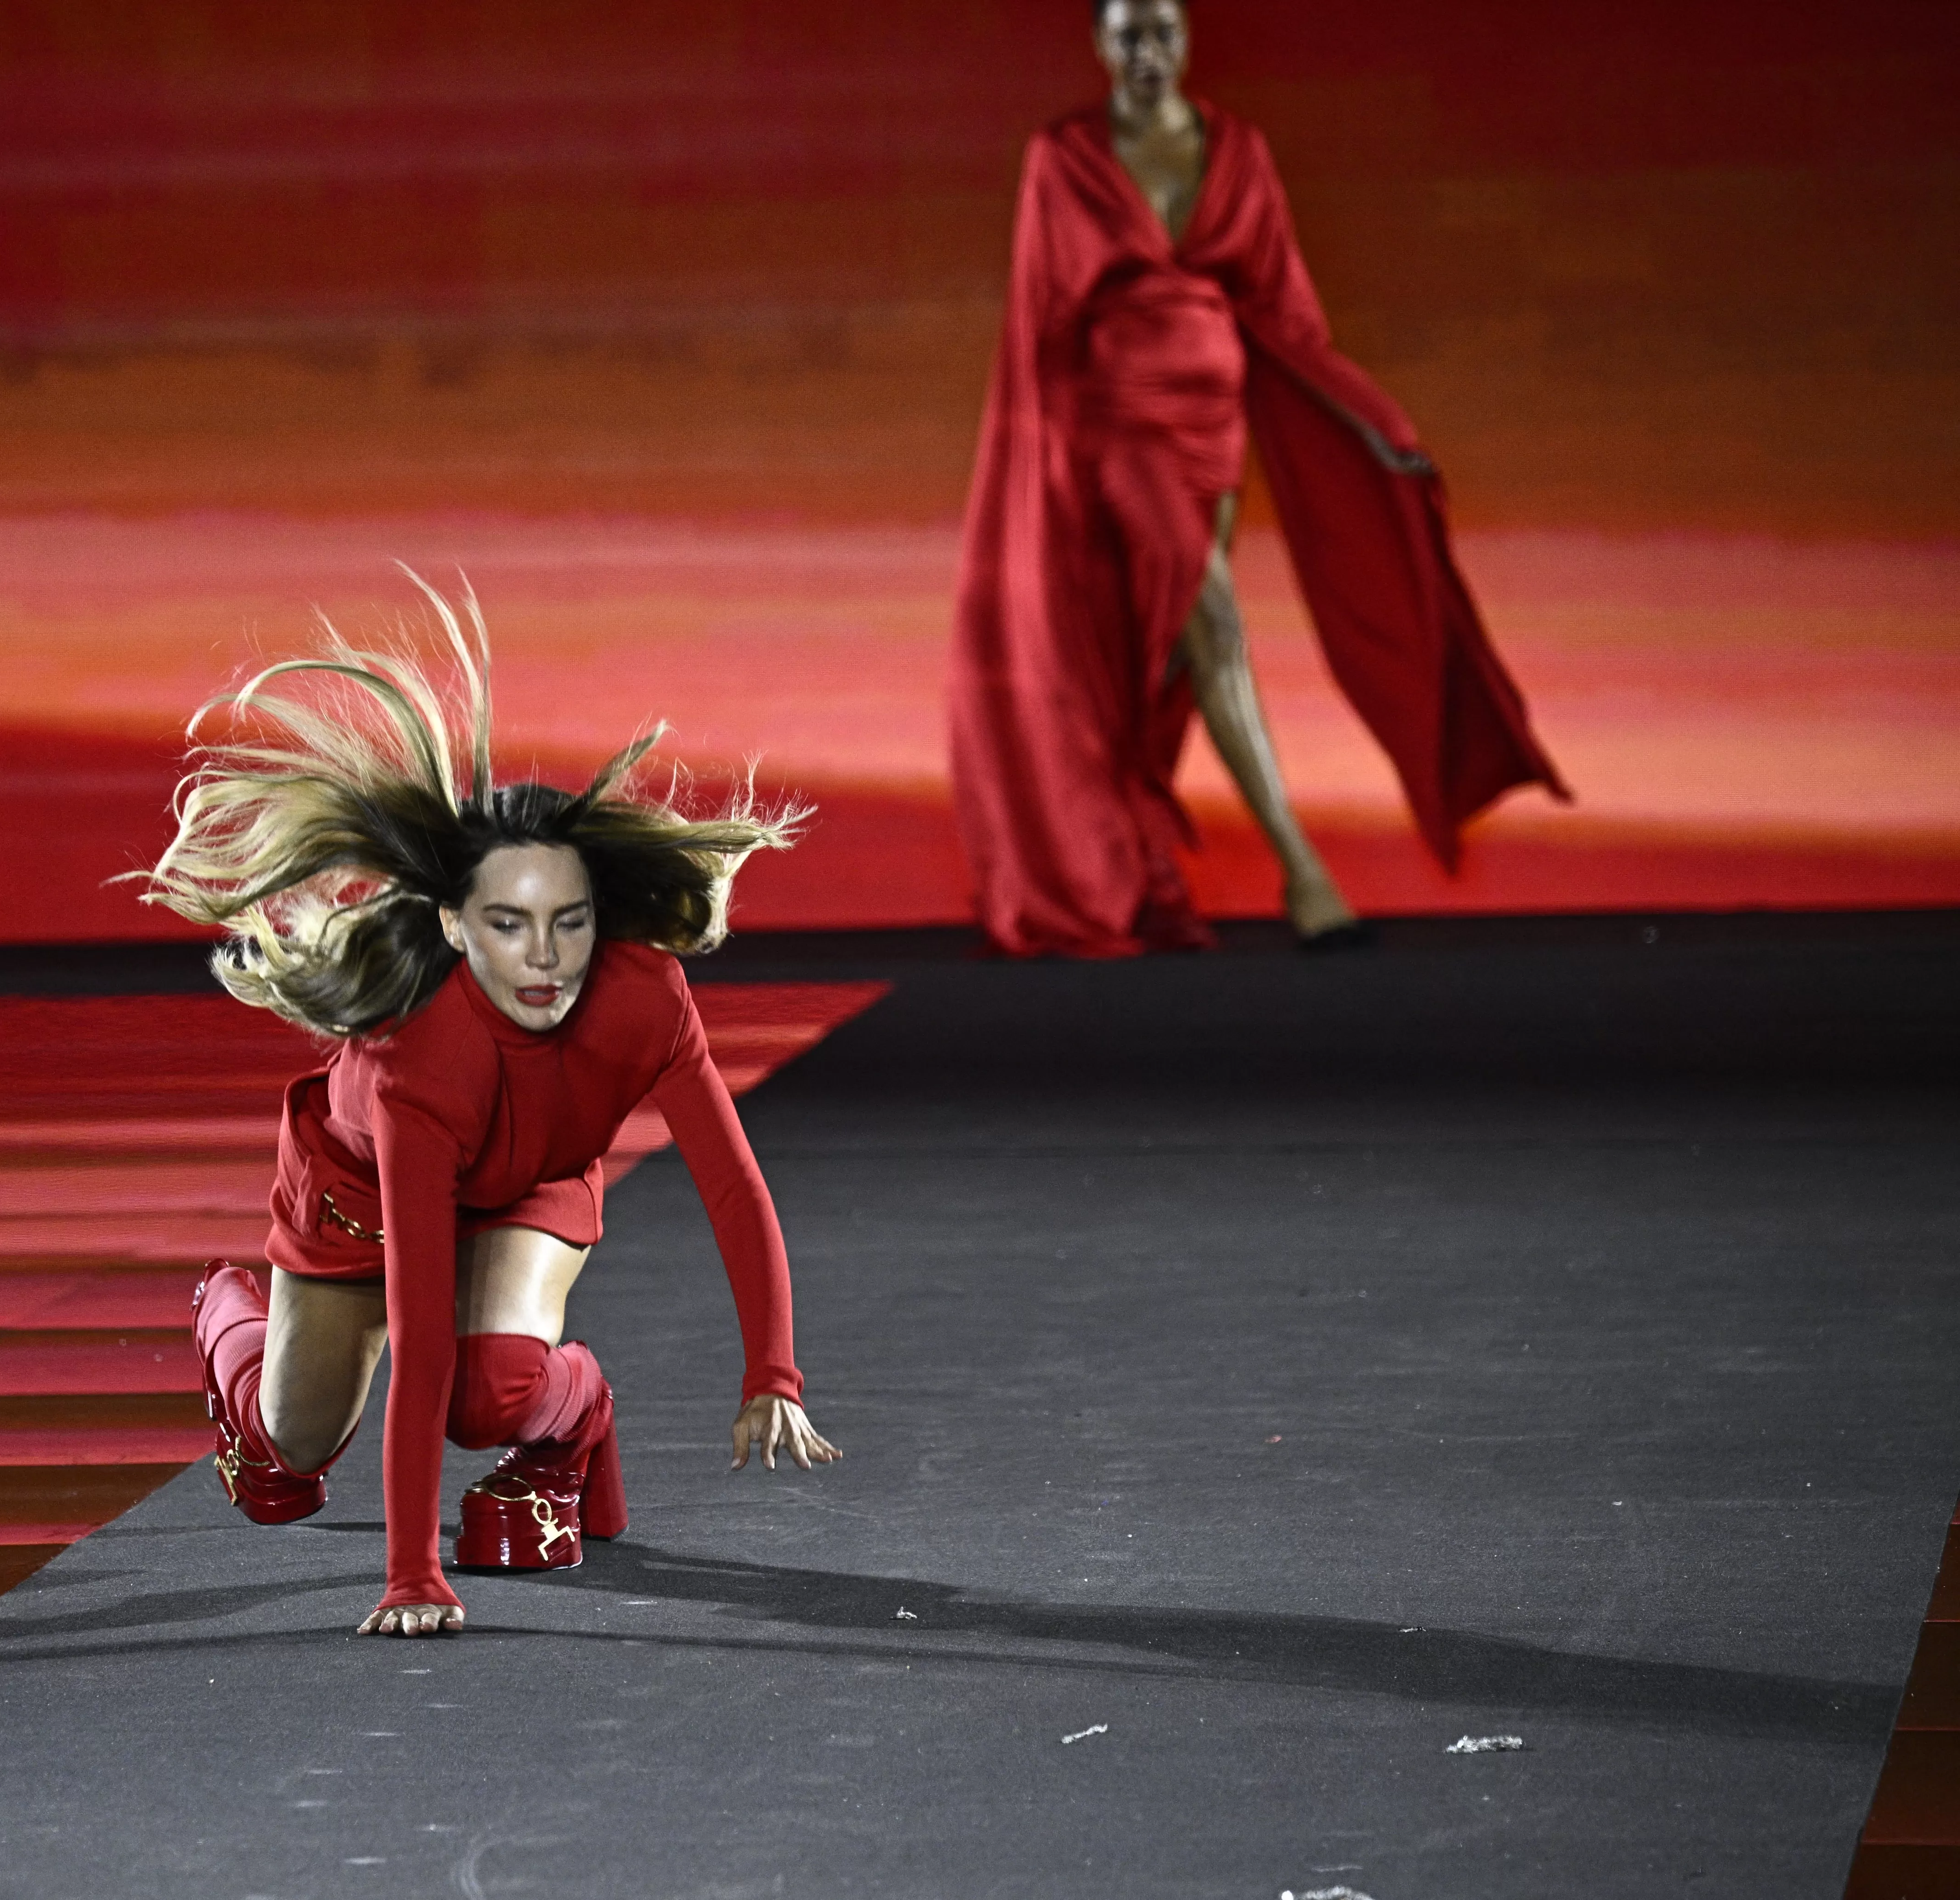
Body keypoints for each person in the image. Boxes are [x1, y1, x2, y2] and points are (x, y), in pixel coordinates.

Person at [137, 573, 842, 1638]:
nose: (547, 958)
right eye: (509, 925)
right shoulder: (419, 1061)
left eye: (570, 921)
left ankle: (576, 1416)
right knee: (288, 1459)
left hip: (529, 1176)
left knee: (492, 1394)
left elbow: (734, 1187)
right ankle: (230, 1310)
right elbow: (418, 1330)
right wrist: (412, 1571)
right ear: (457, 928)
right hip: (365, 1184)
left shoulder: (645, 998)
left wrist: (774, 1371)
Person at [951, 0, 1567, 957]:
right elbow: (1042, 324)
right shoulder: (1063, 157)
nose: (1147, 52)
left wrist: (1375, 424)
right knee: (1216, 621)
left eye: (1162, 31)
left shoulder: (1238, 151)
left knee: (1175, 659)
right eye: (1127, 35)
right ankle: (1304, 872)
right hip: (1118, 430)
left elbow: (1286, 311)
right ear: (1098, 44)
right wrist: (1043, 480)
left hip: (1214, 428)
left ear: (1188, 38)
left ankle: (1135, 861)